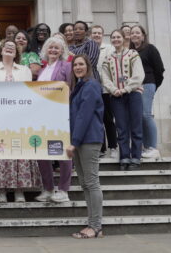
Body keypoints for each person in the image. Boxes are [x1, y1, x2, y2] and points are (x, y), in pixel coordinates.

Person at [0, 39, 42, 203]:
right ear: (0, 50)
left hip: (19, 118)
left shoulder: (24, 70)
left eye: (13, 47)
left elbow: (28, 94)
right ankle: (1, 190)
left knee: (19, 153)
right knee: (0, 154)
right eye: (6, 46)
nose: (9, 48)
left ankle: (19, 190)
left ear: (17, 52)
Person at [66, 54, 104, 239]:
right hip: (81, 140)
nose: (78, 67)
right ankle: (93, 224)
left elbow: (84, 115)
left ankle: (95, 226)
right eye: (75, 65)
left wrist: (74, 142)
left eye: (81, 64)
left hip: (89, 139)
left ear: (88, 66)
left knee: (91, 182)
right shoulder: (80, 86)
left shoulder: (91, 85)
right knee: (85, 184)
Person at [34, 37, 72, 203]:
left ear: (62, 50)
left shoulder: (66, 66)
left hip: (60, 115)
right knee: (42, 152)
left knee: (62, 152)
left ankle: (63, 190)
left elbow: (71, 89)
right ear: (45, 50)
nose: (53, 50)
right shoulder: (42, 70)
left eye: (57, 48)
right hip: (42, 116)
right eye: (51, 48)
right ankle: (48, 188)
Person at [102, 29, 144, 171]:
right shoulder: (108, 58)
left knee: (136, 127)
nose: (116, 39)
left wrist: (126, 89)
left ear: (123, 38)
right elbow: (105, 77)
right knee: (121, 127)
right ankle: (124, 156)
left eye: (118, 37)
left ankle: (136, 157)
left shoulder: (133, 54)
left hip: (133, 94)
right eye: (113, 37)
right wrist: (114, 90)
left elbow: (139, 75)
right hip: (116, 96)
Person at [130, 25, 165, 159]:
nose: (135, 35)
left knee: (146, 114)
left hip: (148, 84)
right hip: (135, 86)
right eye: (132, 33)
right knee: (138, 116)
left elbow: (159, 69)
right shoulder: (130, 51)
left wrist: (153, 85)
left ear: (143, 35)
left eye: (137, 33)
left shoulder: (150, 49)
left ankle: (153, 147)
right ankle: (145, 147)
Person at [90, 25, 118, 159]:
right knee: (97, 119)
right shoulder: (88, 48)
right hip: (93, 89)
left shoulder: (109, 48)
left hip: (106, 90)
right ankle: (101, 148)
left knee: (108, 119)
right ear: (91, 34)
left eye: (99, 33)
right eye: (94, 33)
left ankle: (113, 147)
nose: (96, 35)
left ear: (102, 35)